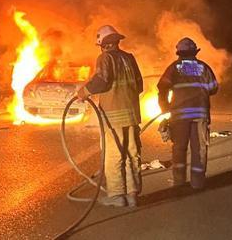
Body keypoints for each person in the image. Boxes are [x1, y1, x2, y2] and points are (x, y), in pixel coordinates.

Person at [77, 25, 143, 207]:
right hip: (131, 114)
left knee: (114, 155)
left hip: (113, 116)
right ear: (116, 41)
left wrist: (85, 92)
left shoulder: (105, 58)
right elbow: (140, 86)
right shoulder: (129, 58)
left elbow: (102, 81)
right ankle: (132, 194)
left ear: (103, 45)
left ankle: (116, 196)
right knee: (132, 153)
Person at [157, 37, 218, 189]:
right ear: (194, 52)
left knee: (179, 148)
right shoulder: (204, 67)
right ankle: (197, 182)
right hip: (200, 115)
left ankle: (179, 182)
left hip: (180, 116)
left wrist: (164, 106)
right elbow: (213, 88)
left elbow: (162, 87)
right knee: (199, 150)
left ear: (179, 53)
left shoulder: (174, 68)